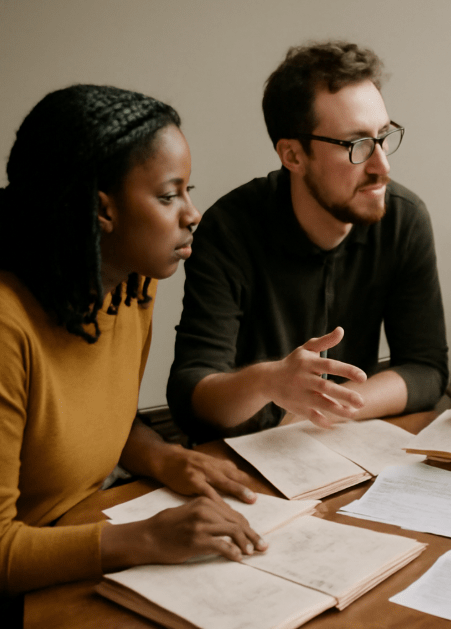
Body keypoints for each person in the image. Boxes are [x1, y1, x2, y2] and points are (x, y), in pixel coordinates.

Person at [0, 85, 267, 605]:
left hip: (87, 527)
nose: (192, 213)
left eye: (189, 191)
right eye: (169, 196)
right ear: (102, 210)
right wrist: (146, 538)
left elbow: (97, 418)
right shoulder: (9, 325)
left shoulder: (131, 284)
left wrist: (165, 459)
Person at [168, 41, 448, 441]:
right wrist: (269, 382)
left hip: (337, 443)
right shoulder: (229, 230)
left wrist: (323, 409)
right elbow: (191, 398)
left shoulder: (404, 219)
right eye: (357, 145)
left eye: (384, 136)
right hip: (243, 450)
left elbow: (426, 369)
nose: (382, 166)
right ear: (293, 156)